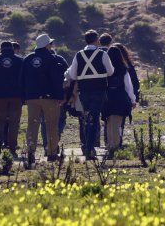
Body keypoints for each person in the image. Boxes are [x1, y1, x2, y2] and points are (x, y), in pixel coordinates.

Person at [21, 34, 68, 164]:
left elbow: (22, 79)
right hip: (50, 98)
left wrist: (24, 97)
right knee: (52, 125)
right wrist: (61, 96)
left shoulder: (27, 59)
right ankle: (52, 154)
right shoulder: (53, 59)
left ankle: (30, 151)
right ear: (47, 45)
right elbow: (57, 80)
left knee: (32, 124)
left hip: (32, 98)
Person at [66, 30, 112, 160]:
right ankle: (90, 148)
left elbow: (73, 75)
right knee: (93, 119)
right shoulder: (102, 54)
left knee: (87, 119)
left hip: (84, 91)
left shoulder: (79, 55)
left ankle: (88, 146)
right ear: (97, 40)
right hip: (99, 90)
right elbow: (110, 71)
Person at [99, 35, 136, 155]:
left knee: (109, 123)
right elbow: (128, 86)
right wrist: (133, 100)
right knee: (117, 124)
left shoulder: (104, 69)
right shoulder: (123, 70)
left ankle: (109, 145)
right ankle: (115, 147)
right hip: (120, 97)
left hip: (107, 98)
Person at [0, 41, 24, 155]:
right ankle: (12, 147)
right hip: (16, 96)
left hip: (1, 96)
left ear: (1, 48)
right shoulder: (20, 61)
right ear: (11, 48)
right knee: (14, 122)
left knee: (0, 121)